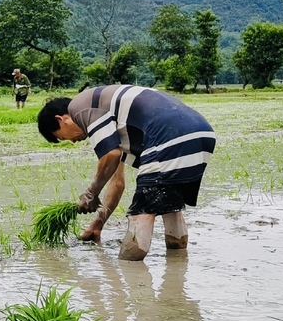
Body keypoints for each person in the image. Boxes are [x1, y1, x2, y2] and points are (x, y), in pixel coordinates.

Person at [37, 85, 216, 260]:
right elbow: (117, 183)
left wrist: (91, 192)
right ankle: (177, 268)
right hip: (201, 132)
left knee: (142, 212)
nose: (72, 141)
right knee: (170, 207)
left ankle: (131, 269)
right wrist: (97, 225)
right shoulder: (115, 121)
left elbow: (111, 154)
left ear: (61, 119)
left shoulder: (79, 107)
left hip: (169, 136)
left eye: (62, 137)